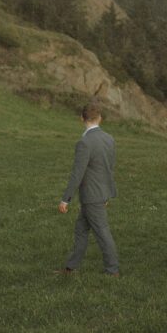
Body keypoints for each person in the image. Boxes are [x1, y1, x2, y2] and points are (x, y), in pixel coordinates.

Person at [56, 103, 119, 276]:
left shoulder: (84, 142)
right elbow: (109, 168)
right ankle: (71, 267)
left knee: (102, 233)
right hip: (99, 194)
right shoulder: (109, 139)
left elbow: (77, 174)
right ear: (100, 119)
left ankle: (112, 270)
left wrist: (65, 199)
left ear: (81, 119)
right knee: (81, 230)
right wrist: (106, 194)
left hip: (92, 196)